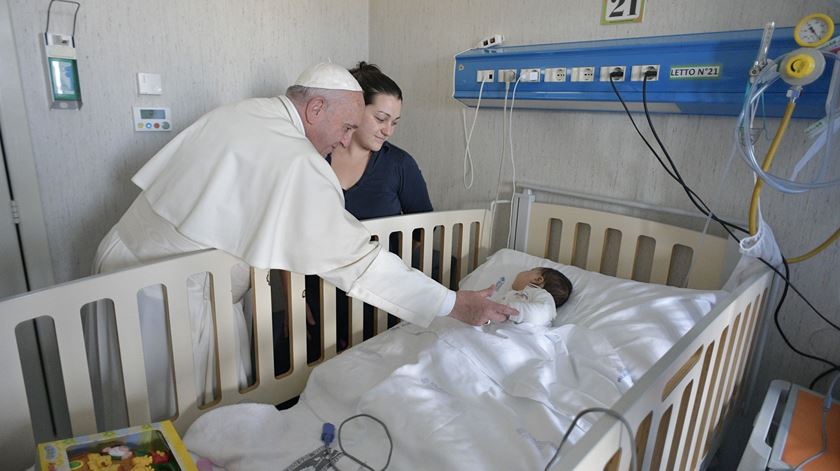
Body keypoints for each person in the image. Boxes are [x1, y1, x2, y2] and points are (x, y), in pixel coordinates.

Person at [83, 63, 517, 429]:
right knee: (180, 422)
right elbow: (359, 262)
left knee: (127, 407)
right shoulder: (296, 159)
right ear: (314, 108)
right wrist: (451, 303)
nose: (346, 140)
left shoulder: (241, 114)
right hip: (170, 299)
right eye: (347, 126)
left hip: (124, 267)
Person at [304, 62, 432, 354]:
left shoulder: (399, 165)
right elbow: (290, 233)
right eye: (381, 118)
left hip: (377, 296)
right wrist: (295, 301)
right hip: (317, 295)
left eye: (395, 122)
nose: (388, 130)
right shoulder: (315, 159)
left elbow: (423, 231)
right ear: (355, 109)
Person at [494, 267, 572, 326]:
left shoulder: (542, 295)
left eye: (529, 271)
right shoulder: (511, 294)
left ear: (537, 279)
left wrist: (506, 309)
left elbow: (541, 314)